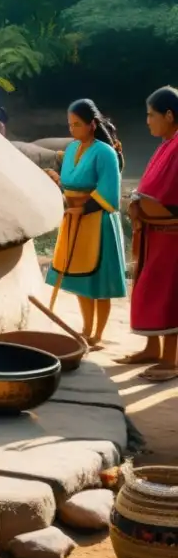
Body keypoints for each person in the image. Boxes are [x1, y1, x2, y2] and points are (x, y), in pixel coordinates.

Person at [43, 99, 127, 348]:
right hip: (74, 219)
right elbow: (69, 184)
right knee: (80, 279)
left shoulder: (105, 152)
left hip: (97, 221)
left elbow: (109, 193)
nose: (72, 129)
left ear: (92, 125)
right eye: (70, 125)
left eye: (77, 124)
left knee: (97, 280)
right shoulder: (70, 150)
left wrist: (83, 208)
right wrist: (56, 181)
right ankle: (85, 329)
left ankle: (98, 334)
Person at [118, 86, 178, 379]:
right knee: (146, 289)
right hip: (154, 233)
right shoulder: (166, 143)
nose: (147, 121)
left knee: (168, 293)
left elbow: (170, 196)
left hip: (172, 235)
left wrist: (142, 204)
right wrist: (138, 203)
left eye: (151, 115)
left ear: (169, 115)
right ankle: (152, 348)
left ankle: (170, 359)